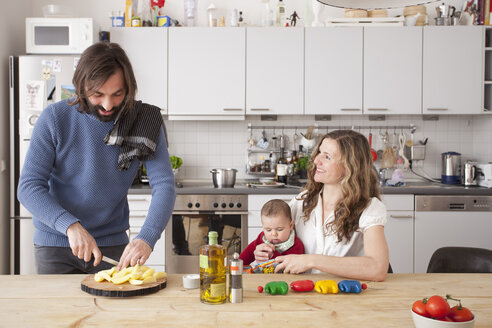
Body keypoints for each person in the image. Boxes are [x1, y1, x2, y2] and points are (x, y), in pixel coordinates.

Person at [17, 41, 176, 274]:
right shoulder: (54, 118)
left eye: (117, 94)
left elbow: (164, 185)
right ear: (82, 87)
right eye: (97, 94)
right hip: (56, 244)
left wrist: (147, 237)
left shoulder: (145, 122)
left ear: (128, 88)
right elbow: (28, 187)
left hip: (112, 247)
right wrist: (70, 225)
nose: (107, 104)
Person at [254, 130, 389, 281]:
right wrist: (265, 250)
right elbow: (279, 239)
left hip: (347, 297)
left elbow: (377, 268)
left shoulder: (370, 208)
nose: (316, 160)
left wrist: (311, 261)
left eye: (327, 157)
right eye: (319, 152)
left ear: (350, 167)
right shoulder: (301, 202)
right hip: (302, 294)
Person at [240, 199, 304, 267]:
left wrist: (272, 256)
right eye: (268, 230)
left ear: (291, 225)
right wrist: (238, 265)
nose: (274, 234)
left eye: (279, 229)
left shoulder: (296, 245)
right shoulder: (262, 239)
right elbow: (246, 255)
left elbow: (291, 267)